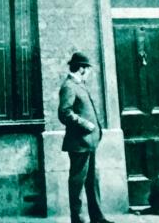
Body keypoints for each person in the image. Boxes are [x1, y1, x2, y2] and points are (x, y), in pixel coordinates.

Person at [58, 51, 113, 223]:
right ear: (81, 69)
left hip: (90, 143)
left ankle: (97, 218)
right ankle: (78, 219)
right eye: (87, 69)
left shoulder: (79, 85)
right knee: (77, 183)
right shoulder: (68, 86)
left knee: (92, 180)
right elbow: (64, 113)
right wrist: (86, 124)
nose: (89, 72)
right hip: (79, 143)